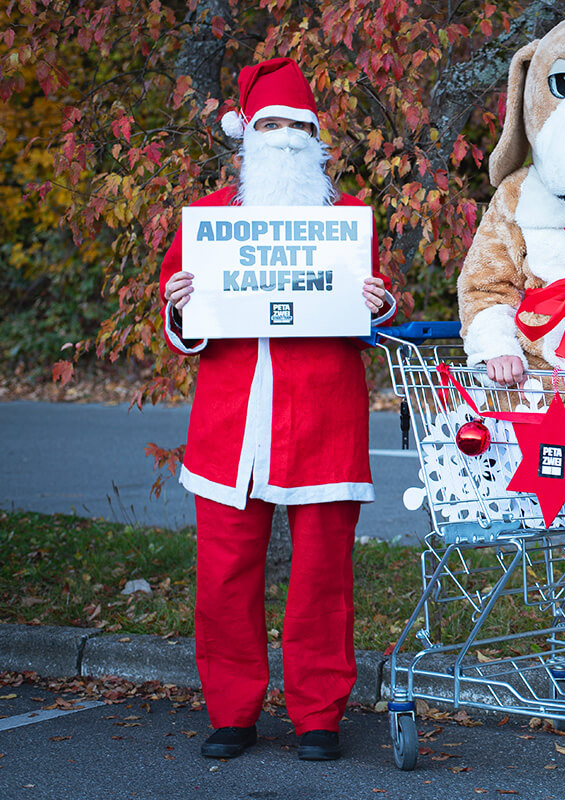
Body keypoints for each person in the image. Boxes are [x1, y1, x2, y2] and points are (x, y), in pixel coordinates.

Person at [159, 57, 396, 762]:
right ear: (247, 139)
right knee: (225, 576)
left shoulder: (348, 223)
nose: (287, 137)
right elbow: (185, 329)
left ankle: (318, 715)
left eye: (300, 126)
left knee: (325, 577)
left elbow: (366, 313)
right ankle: (232, 711)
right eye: (272, 125)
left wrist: (379, 307)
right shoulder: (206, 221)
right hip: (232, 428)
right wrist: (180, 306)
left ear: (317, 140)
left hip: (324, 421)